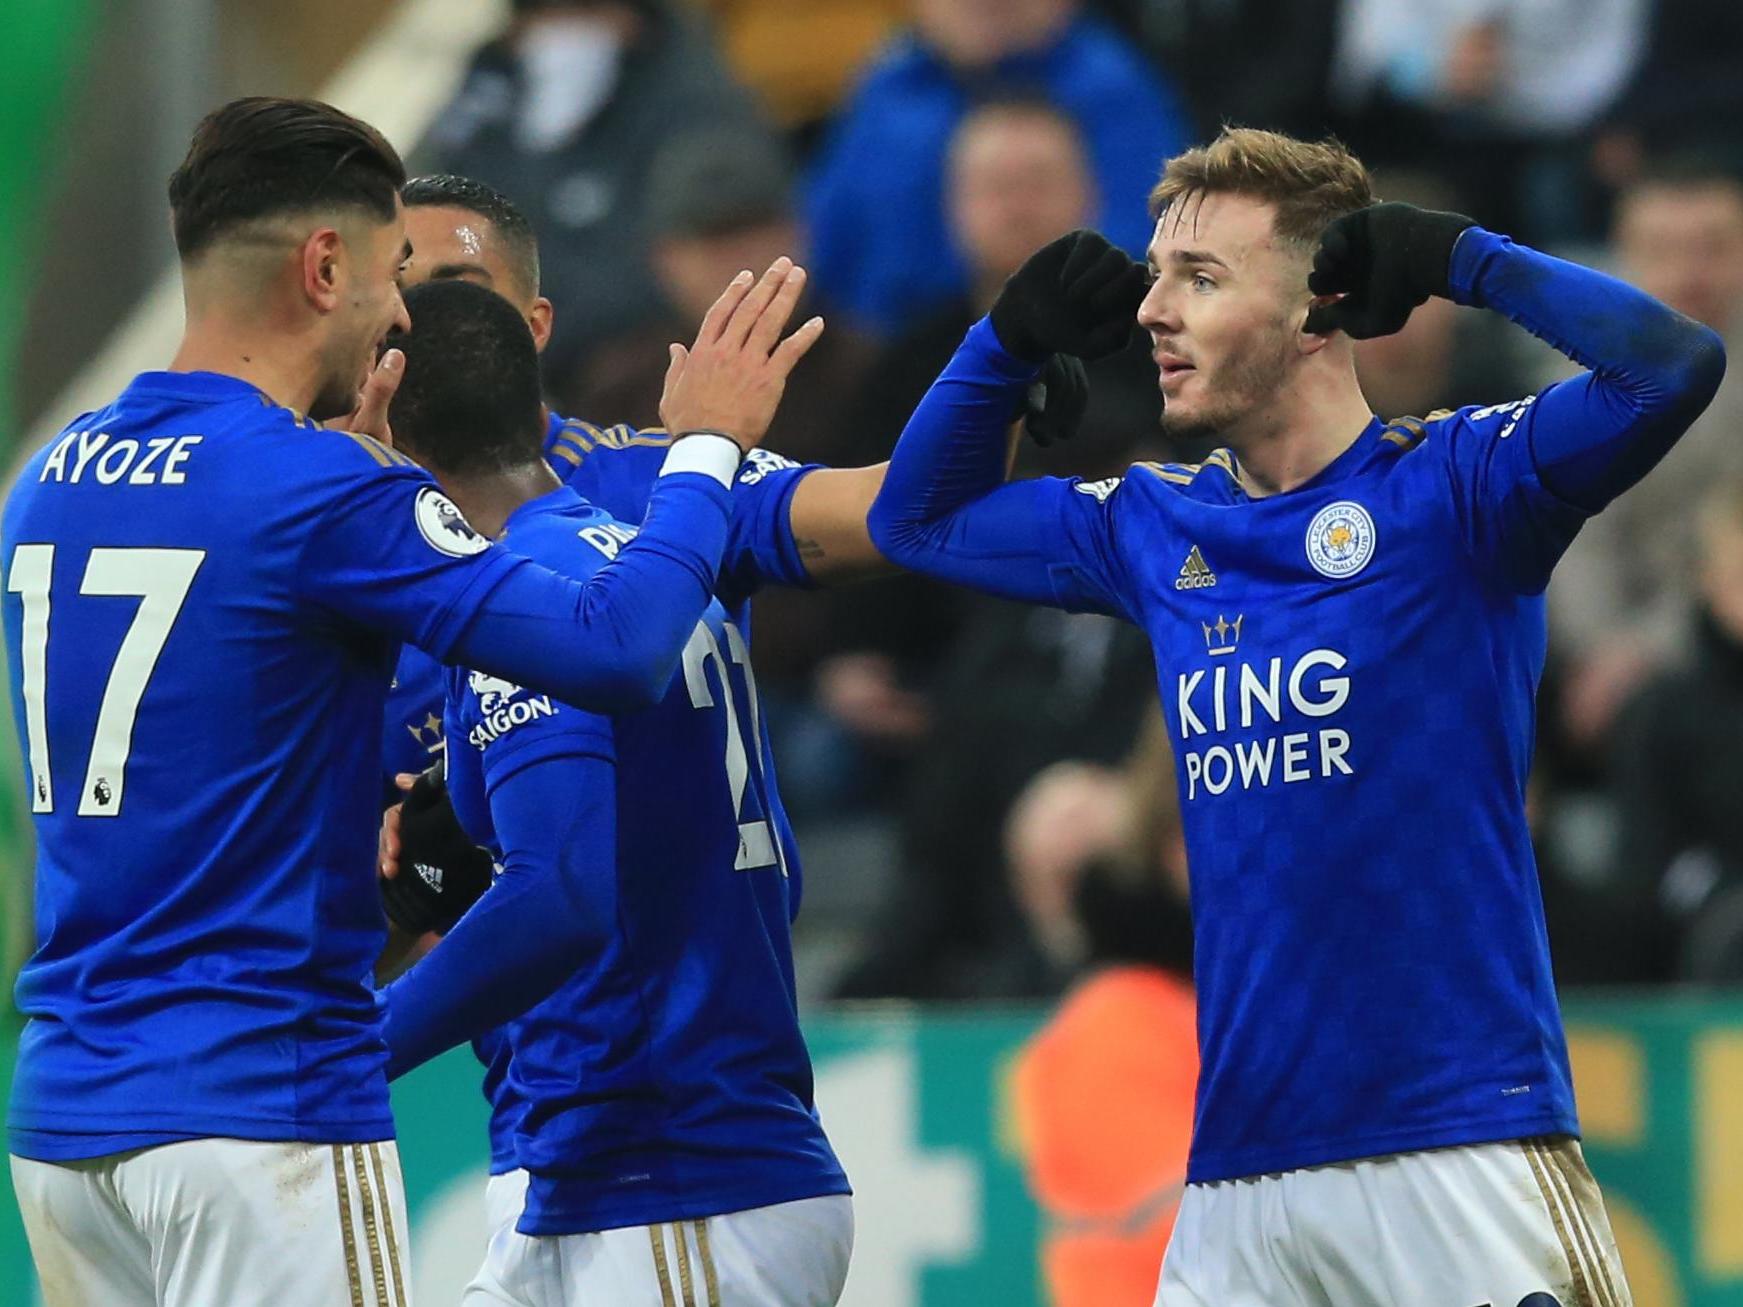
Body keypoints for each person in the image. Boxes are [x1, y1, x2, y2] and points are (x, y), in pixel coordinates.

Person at [866, 126, 1725, 1303]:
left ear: (1320, 310)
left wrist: (1461, 258)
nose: (1154, 311)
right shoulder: (1156, 526)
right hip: (1239, 1183)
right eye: (1157, 275)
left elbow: (1672, 366)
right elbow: (915, 521)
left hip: (1459, 1145)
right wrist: (1002, 345)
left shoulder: (1461, 486)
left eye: (1201, 279)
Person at [2, 96, 816, 1307]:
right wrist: (703, 450)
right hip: (256, 1108)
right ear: (325, 266)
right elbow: (616, 646)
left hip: (65, 1120)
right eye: (392, 275)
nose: (403, 319)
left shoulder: (52, 473)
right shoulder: (317, 492)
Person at [374, 277, 877, 1306]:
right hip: (632, 1178)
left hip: (663, 1180)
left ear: (385, 425)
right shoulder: (608, 554)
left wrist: (344, 1057)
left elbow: (559, 893)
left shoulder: (530, 593)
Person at [421, 0, 778, 378]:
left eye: (587, 13)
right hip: (521, 373)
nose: (566, 36)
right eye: (548, 16)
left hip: (657, 364)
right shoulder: (482, 109)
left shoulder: (697, 106)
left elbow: (713, 264)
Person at [805, 0, 1191, 333]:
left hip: (1077, 346)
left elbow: (1141, 254)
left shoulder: (1115, 91)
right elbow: (824, 246)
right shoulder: (889, 86)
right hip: (884, 355)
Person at [1549, 152, 1743, 750]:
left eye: (1713, 247)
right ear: (1622, 257)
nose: (1691, 271)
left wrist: (1642, 654)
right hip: (1602, 668)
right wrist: (1601, 652)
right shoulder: (1571, 387)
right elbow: (1571, 546)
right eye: (1663, 249)